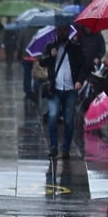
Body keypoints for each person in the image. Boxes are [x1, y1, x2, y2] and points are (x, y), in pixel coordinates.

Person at [38, 18, 86, 159]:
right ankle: (53, 147)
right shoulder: (51, 46)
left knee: (68, 120)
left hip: (71, 88)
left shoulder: (75, 48)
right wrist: (50, 56)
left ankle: (65, 148)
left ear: (68, 31)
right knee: (52, 117)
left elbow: (83, 66)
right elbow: (42, 62)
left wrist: (80, 80)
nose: (62, 33)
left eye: (64, 30)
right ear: (56, 31)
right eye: (59, 30)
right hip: (55, 88)